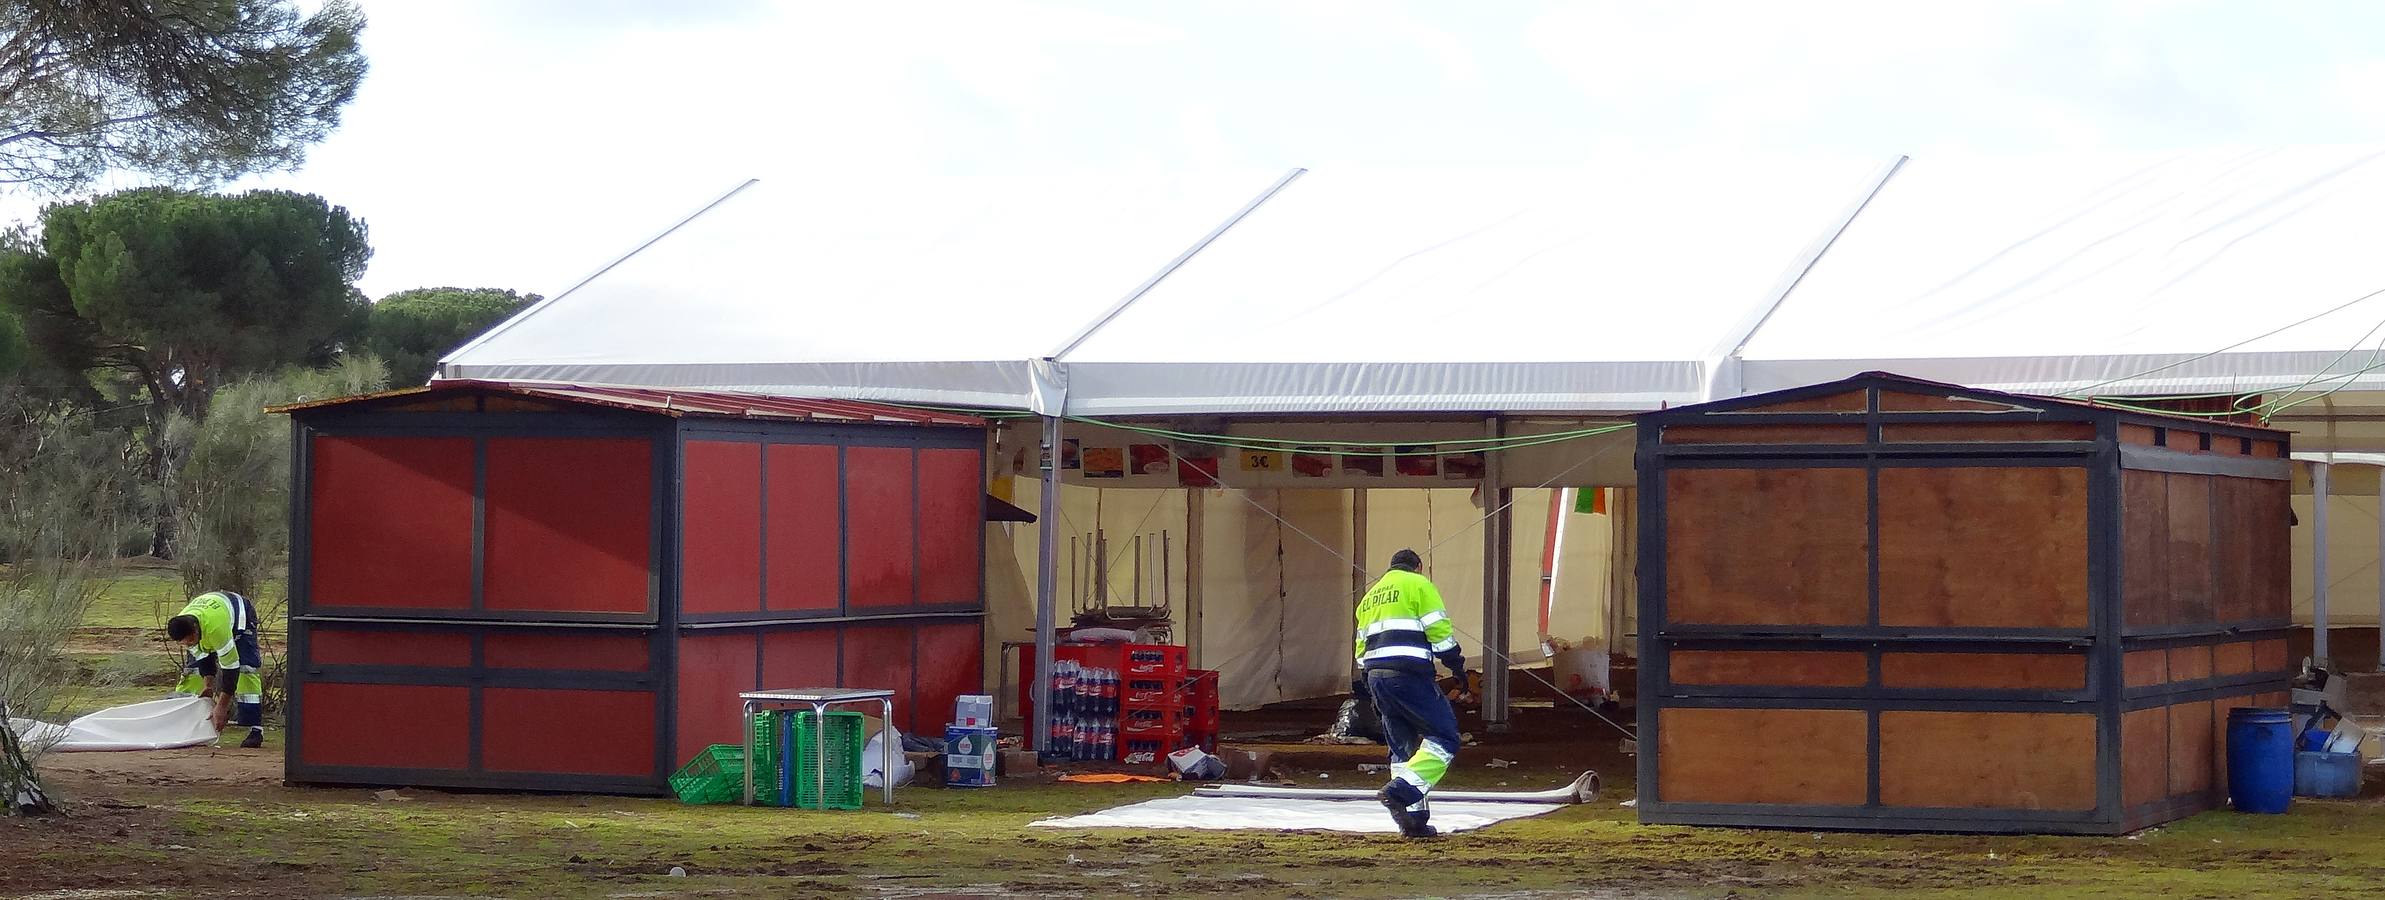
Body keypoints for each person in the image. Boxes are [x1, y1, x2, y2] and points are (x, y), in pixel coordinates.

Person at [1354, 548, 1465, 838]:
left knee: (1402, 747)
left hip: (1377, 678)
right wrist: (1457, 667)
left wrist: (1371, 685)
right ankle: (1400, 791)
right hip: (1409, 676)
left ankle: (1413, 822)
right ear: (1418, 566)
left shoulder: (1370, 596)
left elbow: (1360, 649)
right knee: (1444, 737)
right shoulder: (1420, 585)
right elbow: (1439, 633)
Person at [166, 590, 264, 748]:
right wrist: (208, 686)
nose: (188, 644)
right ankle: (181, 723)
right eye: (184, 643)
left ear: (196, 630)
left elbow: (231, 668)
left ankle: (254, 729)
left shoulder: (216, 629)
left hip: (240, 616)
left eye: (190, 640)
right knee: (192, 672)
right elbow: (203, 658)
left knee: (246, 669)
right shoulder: (183, 625)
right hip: (212, 614)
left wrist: (221, 706)